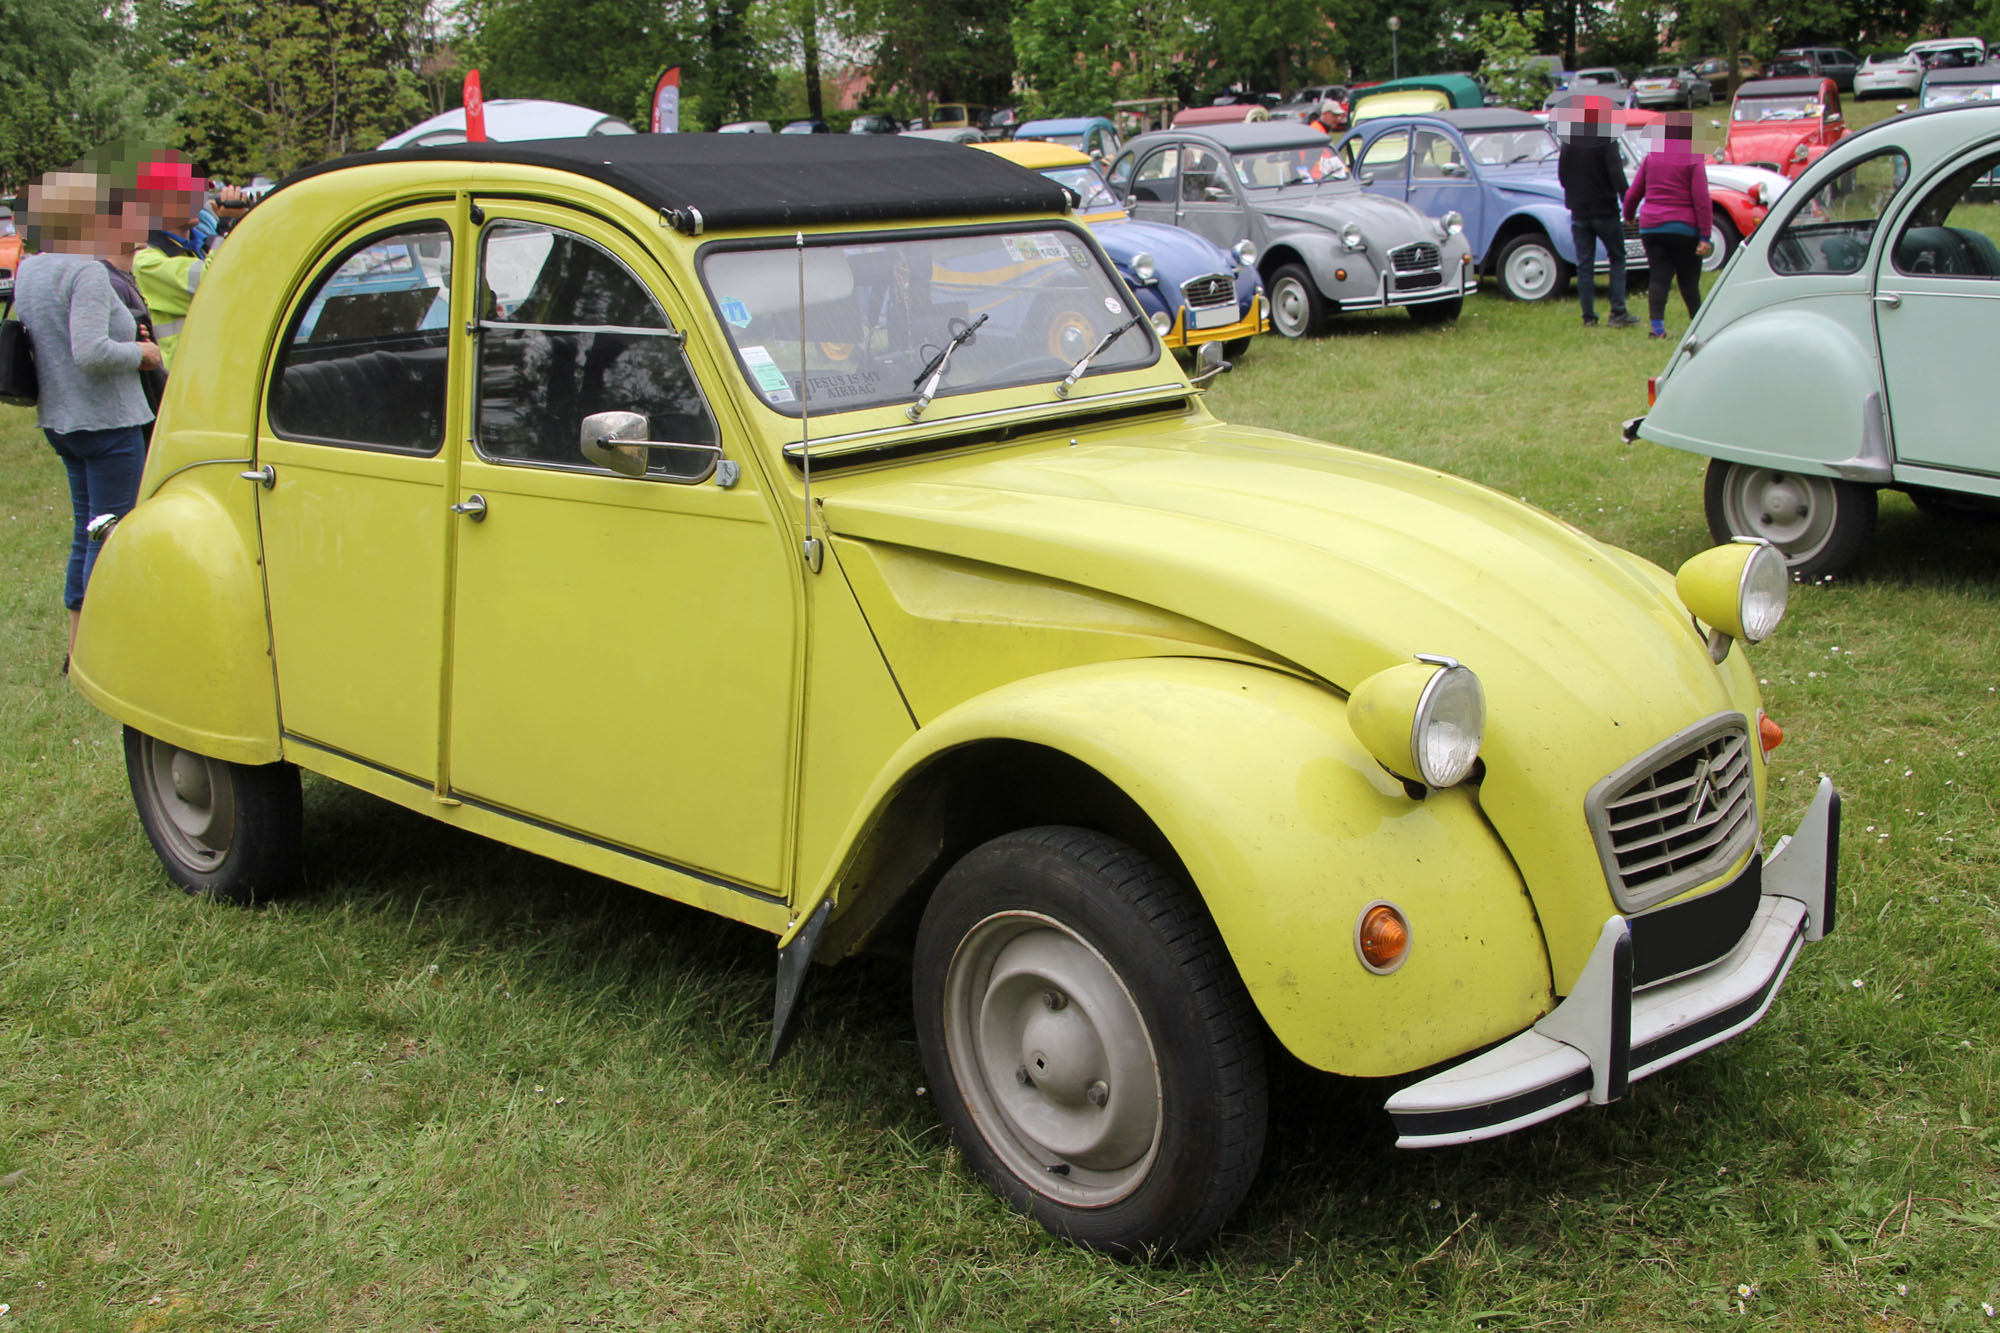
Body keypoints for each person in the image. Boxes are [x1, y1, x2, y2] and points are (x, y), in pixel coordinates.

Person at [15, 167, 163, 668]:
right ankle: (103, 652)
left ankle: (78, 648)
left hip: (62, 419)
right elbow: (92, 351)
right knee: (113, 535)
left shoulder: (32, 268)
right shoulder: (86, 271)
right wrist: (143, 354)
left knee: (87, 530)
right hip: (107, 421)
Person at [1624, 114, 1713, 338]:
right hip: (1684, 228)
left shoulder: (1651, 158)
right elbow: (1701, 199)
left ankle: (1657, 328)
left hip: (1652, 227)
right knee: (1689, 280)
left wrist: (1628, 214)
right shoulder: (1694, 159)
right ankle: (1700, 327)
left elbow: (1634, 192)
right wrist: (1705, 235)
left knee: (1659, 276)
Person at [1557, 97, 1637, 328]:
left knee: (1584, 264)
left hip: (1579, 211)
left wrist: (1574, 194)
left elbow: (1562, 176)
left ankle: (1588, 316)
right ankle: (1618, 312)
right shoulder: (1606, 140)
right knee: (1617, 258)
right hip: (1605, 209)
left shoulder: (1568, 143)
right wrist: (1628, 203)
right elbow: (1616, 174)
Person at [130, 151, 209, 370]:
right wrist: (234, 226)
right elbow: (215, 282)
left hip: (211, 371)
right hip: (180, 380)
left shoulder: (199, 247)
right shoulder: (146, 261)